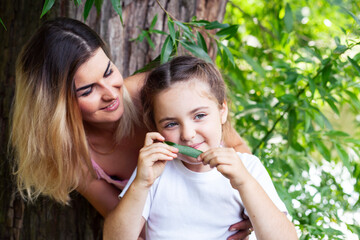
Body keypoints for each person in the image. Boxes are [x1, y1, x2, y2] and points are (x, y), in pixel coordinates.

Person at [11, 18, 253, 239]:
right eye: (87, 90)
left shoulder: (149, 93)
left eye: (108, 72)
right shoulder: (74, 156)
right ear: (56, 107)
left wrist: (248, 211)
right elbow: (128, 226)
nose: (110, 93)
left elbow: (239, 149)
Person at [103, 56, 298, 240]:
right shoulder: (153, 173)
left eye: (199, 116)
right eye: (171, 124)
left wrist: (245, 183)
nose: (188, 134)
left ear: (222, 111)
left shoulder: (247, 168)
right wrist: (141, 183)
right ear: (156, 128)